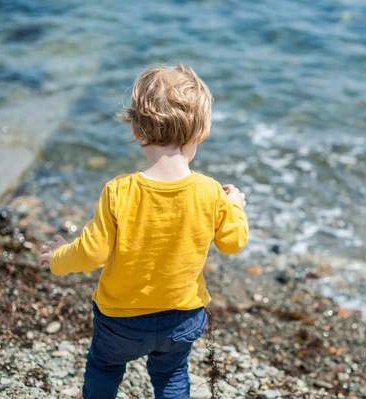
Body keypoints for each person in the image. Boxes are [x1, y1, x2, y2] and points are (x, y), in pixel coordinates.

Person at [39, 64, 249, 399]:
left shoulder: (119, 191)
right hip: (182, 319)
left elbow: (90, 253)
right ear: (202, 132)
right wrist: (235, 204)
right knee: (171, 375)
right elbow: (233, 242)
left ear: (136, 130)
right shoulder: (210, 192)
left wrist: (56, 256)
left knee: (104, 367)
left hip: (121, 321)